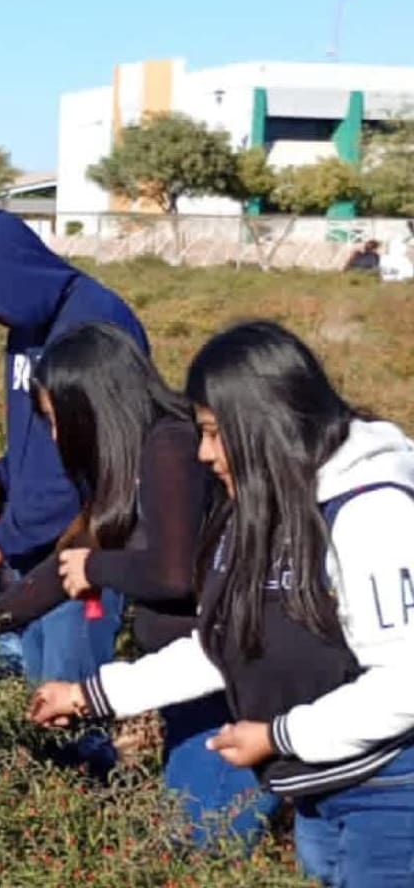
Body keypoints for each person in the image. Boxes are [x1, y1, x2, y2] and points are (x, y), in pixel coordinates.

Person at [30, 321, 414, 887]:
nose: (204, 454)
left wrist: (280, 735)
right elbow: (225, 643)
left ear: (266, 424)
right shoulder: (259, 507)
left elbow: (403, 684)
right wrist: (91, 695)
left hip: (390, 791)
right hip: (315, 786)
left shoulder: (370, 515)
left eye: (214, 433)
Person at [0, 322, 278, 846]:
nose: (55, 436)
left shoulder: (171, 445)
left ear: (91, 406)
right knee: (187, 835)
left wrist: (98, 569)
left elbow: (171, 571)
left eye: (55, 420)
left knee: (204, 844)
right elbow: (63, 564)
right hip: (189, 681)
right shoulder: (132, 462)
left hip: (228, 686)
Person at [0, 211, 147, 686]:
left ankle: (88, 761)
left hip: (81, 545)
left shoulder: (95, 325)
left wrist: (1, 539)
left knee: (69, 688)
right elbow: (34, 439)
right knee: (36, 682)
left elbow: (91, 459)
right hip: (34, 546)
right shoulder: (28, 321)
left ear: (17, 275)